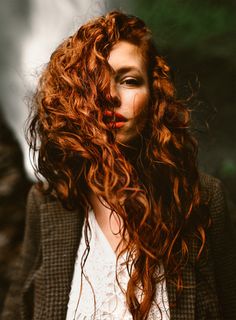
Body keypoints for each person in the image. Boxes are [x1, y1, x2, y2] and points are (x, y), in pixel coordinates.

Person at [2, 11, 236, 320]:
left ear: (154, 95)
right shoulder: (48, 204)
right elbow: (17, 309)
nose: (110, 96)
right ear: (74, 97)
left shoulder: (204, 199)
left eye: (128, 80)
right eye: (94, 82)